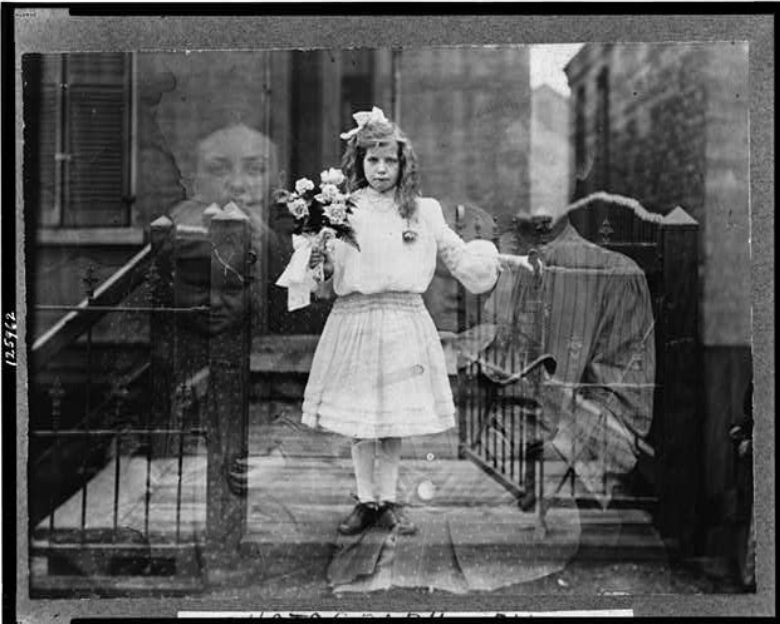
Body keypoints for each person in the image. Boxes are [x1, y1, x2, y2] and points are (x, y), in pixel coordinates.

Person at [301, 107, 501, 536]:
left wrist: (494, 259)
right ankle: (364, 500)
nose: (380, 168)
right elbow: (321, 276)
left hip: (403, 322)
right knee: (361, 420)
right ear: (358, 162)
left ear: (402, 163)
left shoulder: (423, 211)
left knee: (391, 419)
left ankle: (386, 500)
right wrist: (315, 248)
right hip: (355, 319)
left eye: (389, 160)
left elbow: (456, 254)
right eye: (372, 160)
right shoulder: (342, 209)